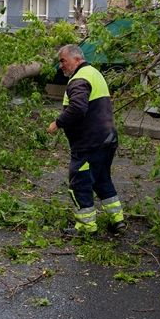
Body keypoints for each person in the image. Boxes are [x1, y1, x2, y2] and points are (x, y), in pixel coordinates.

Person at [46, 44, 125, 236]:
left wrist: (57, 123)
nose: (61, 65)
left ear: (76, 59)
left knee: (80, 182)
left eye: (63, 61)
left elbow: (77, 108)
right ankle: (117, 220)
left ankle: (86, 227)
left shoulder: (79, 79)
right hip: (107, 138)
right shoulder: (94, 73)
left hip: (90, 143)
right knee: (101, 180)